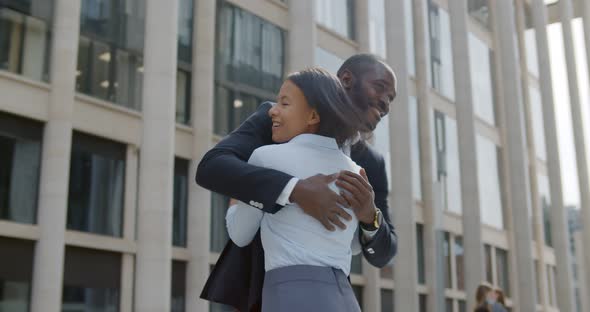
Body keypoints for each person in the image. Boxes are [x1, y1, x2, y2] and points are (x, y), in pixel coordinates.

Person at [198, 54, 398, 311]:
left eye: (391, 98)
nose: (386, 103)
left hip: (333, 293)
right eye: (380, 88)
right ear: (347, 80)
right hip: (257, 292)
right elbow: (212, 166)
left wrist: (370, 218)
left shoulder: (368, 164)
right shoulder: (278, 119)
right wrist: (296, 189)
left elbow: (384, 253)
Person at [226, 67, 369, 311]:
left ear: (313, 115)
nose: (272, 110)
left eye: (285, 103)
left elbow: (240, 234)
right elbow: (354, 246)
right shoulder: (354, 170)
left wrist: (236, 196)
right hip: (344, 298)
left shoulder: (265, 157)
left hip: (291, 294)